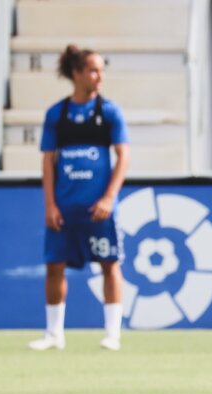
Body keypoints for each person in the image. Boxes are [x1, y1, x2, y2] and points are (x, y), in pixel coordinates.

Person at [28, 45, 130, 352]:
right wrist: (49, 204)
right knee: (54, 266)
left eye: (101, 70)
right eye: (93, 70)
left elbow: (123, 156)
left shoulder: (109, 112)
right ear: (77, 73)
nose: (99, 76)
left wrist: (109, 198)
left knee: (109, 263)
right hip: (64, 208)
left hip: (98, 210)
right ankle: (53, 334)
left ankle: (113, 334)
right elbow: (48, 162)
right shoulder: (57, 115)